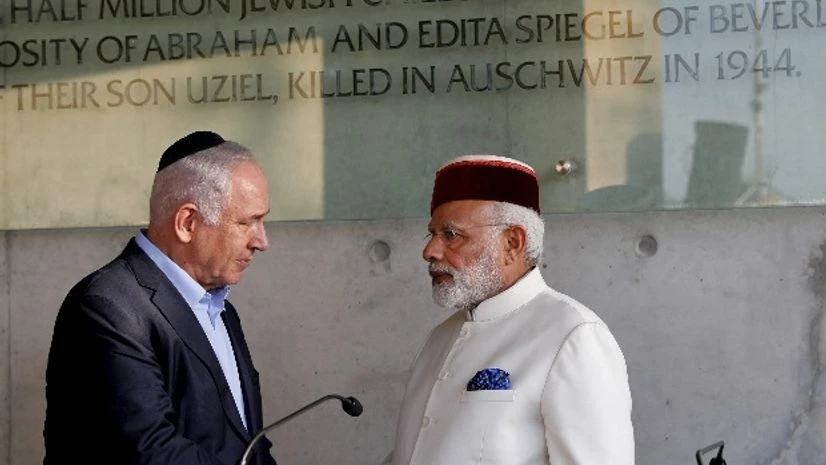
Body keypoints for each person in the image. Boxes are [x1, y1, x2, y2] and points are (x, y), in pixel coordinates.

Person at [43, 131, 277, 465]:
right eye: (248, 222)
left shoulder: (222, 310)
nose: (261, 241)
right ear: (187, 223)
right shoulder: (107, 307)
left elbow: (250, 444)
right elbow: (150, 450)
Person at [391, 155, 635, 465]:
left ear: (512, 242)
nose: (430, 251)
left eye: (451, 235)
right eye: (432, 234)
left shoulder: (573, 335)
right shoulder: (440, 338)